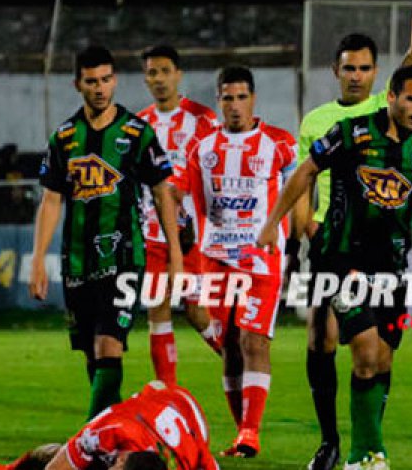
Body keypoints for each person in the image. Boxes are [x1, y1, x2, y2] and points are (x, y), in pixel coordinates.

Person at [258, 65, 412, 470]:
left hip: (391, 267)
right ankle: (363, 454)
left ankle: (368, 449)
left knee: (381, 360)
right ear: (392, 96)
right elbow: (306, 170)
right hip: (343, 260)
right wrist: (274, 223)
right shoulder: (352, 133)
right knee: (361, 350)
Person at [294, 0, 412, 470]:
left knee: (372, 345)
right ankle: (332, 440)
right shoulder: (317, 119)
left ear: (377, 73)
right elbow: (304, 176)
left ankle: (364, 438)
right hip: (329, 242)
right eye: (348, 68)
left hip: (376, 244)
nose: (356, 75)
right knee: (321, 336)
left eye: (364, 68)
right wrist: (304, 226)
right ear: (335, 71)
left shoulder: (385, 108)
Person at [29, 45, 183, 418]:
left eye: (106, 79)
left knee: (109, 344)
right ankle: (109, 435)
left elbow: (163, 193)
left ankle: (87, 437)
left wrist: (175, 256)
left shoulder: (136, 133)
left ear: (114, 80)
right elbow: (51, 200)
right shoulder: (65, 137)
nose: (100, 88)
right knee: (91, 351)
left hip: (124, 257)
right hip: (77, 261)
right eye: (91, 81)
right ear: (77, 84)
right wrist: (38, 260)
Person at [177, 65, 298, 458]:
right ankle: (240, 433)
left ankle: (251, 431)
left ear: (253, 99)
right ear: (218, 101)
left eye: (241, 97)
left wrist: (291, 236)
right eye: (227, 98)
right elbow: (194, 207)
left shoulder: (280, 145)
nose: (234, 105)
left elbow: (300, 188)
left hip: (261, 258)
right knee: (229, 344)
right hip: (216, 257)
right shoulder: (201, 149)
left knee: (253, 339)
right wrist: (195, 259)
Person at [135, 44, 222, 385]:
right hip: (154, 233)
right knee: (157, 309)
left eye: (164, 71)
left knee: (197, 311)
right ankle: (167, 393)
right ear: (145, 79)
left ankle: (237, 367)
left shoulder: (203, 120)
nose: (159, 79)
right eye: (152, 73)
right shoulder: (140, 125)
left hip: (194, 235)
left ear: (178, 75)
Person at [0, 381, 217, 470]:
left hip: (174, 421)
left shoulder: (187, 454)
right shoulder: (108, 432)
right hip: (172, 401)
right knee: (49, 459)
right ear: (120, 460)